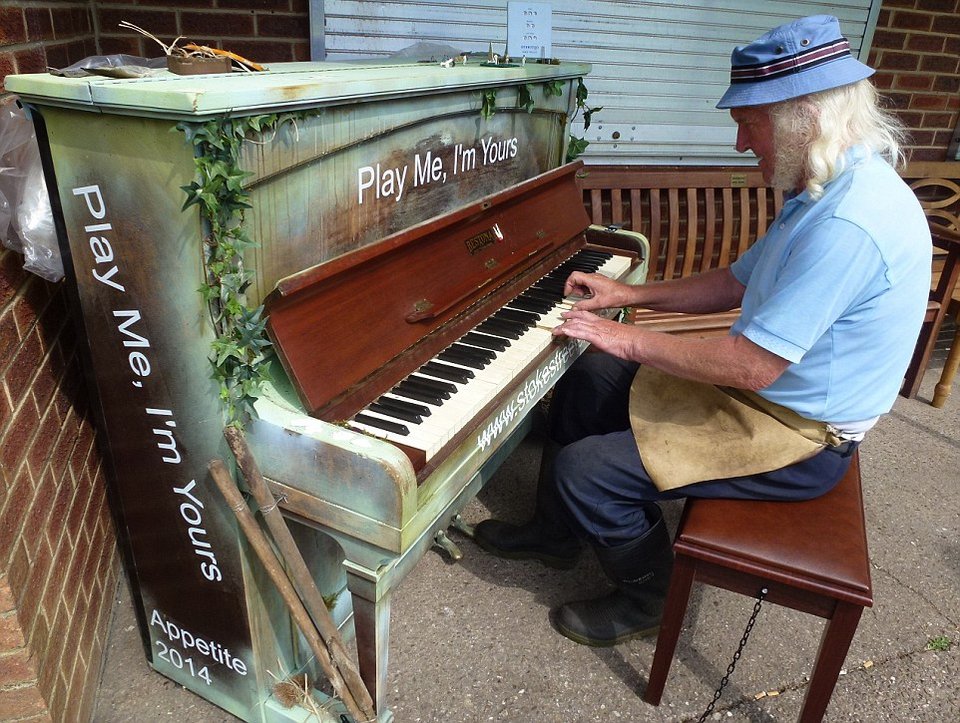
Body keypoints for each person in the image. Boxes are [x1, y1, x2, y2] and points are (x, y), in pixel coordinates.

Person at [473, 14, 932, 647]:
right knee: (588, 370)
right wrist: (627, 296)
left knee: (588, 469)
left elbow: (751, 366)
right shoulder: (822, 189)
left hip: (799, 434)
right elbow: (736, 284)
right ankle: (555, 536)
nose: (744, 145)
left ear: (805, 116)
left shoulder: (850, 222)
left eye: (750, 124)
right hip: (763, 393)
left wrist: (629, 336)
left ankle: (649, 598)